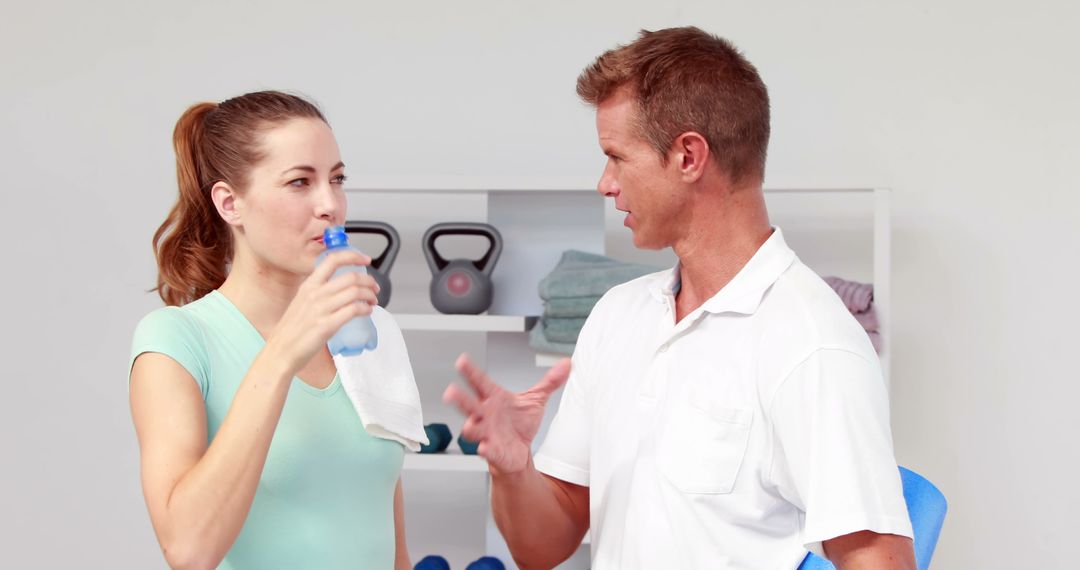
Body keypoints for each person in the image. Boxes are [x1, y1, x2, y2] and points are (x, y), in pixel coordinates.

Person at [444, 27, 916, 569]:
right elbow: (541, 547)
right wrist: (513, 469)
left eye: (617, 157)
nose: (605, 182)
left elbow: (879, 561)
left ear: (688, 156)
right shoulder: (617, 316)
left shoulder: (812, 342)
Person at [129, 91, 413, 569]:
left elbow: (392, 546)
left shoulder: (371, 329)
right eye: (300, 182)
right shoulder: (176, 342)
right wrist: (282, 353)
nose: (330, 204)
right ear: (230, 204)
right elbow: (189, 550)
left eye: (337, 179)